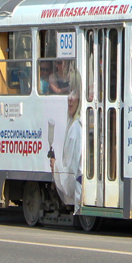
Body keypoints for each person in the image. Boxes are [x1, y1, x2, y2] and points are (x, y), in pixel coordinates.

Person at [50, 70, 82, 207]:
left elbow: (69, 182)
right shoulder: (78, 124)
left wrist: (55, 166)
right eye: (69, 91)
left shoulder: (76, 128)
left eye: (74, 93)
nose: (69, 98)